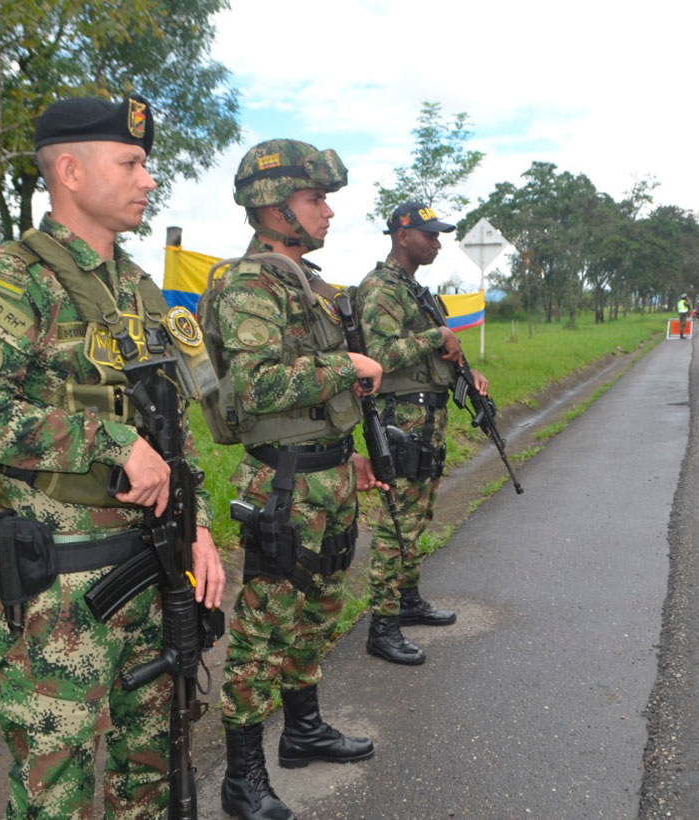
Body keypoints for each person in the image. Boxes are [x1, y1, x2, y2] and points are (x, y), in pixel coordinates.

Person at [0, 95, 225, 820]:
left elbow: (174, 425)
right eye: (130, 163)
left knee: (150, 777)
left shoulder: (138, 288)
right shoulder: (9, 279)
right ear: (69, 171)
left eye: (145, 165)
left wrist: (199, 525)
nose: (148, 179)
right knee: (55, 795)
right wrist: (113, 442)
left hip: (154, 569)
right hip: (60, 592)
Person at [198, 139, 385, 820]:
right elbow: (256, 385)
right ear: (277, 209)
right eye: (316, 199)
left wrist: (345, 452)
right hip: (283, 486)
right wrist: (348, 367)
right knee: (262, 631)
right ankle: (242, 779)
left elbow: (313, 394)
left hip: (326, 475)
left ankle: (303, 730)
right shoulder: (249, 284)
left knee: (317, 611)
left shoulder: (307, 284)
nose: (328, 211)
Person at [357, 201, 488, 665]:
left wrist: (466, 372)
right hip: (400, 419)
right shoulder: (381, 288)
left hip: (427, 417)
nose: (437, 243)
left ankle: (407, 600)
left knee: (419, 514)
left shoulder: (414, 290)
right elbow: (378, 355)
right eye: (429, 235)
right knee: (398, 522)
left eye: (438, 236)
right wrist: (438, 336)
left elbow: (436, 356)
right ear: (402, 235)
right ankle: (382, 626)